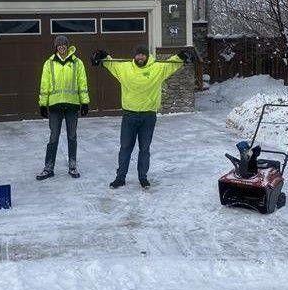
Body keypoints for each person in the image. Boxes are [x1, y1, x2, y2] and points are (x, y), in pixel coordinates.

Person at [91, 45, 195, 189]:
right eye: (138, 55)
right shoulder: (125, 68)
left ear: (147, 56)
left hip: (148, 116)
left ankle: (143, 177)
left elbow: (172, 64)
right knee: (125, 148)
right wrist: (102, 55)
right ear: (134, 56)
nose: (140, 57)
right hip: (129, 115)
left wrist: (182, 56)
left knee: (144, 149)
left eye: (143, 55)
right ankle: (120, 177)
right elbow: (111, 63)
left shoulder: (157, 68)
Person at [37, 35, 90, 180]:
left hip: (72, 105)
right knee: (53, 137)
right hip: (55, 106)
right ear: (55, 47)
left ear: (67, 46)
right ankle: (48, 168)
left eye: (64, 45)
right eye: (59, 45)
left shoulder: (77, 62)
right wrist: (43, 104)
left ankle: (72, 166)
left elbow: (82, 82)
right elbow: (45, 84)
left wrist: (84, 102)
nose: (61, 47)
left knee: (72, 136)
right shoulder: (49, 63)